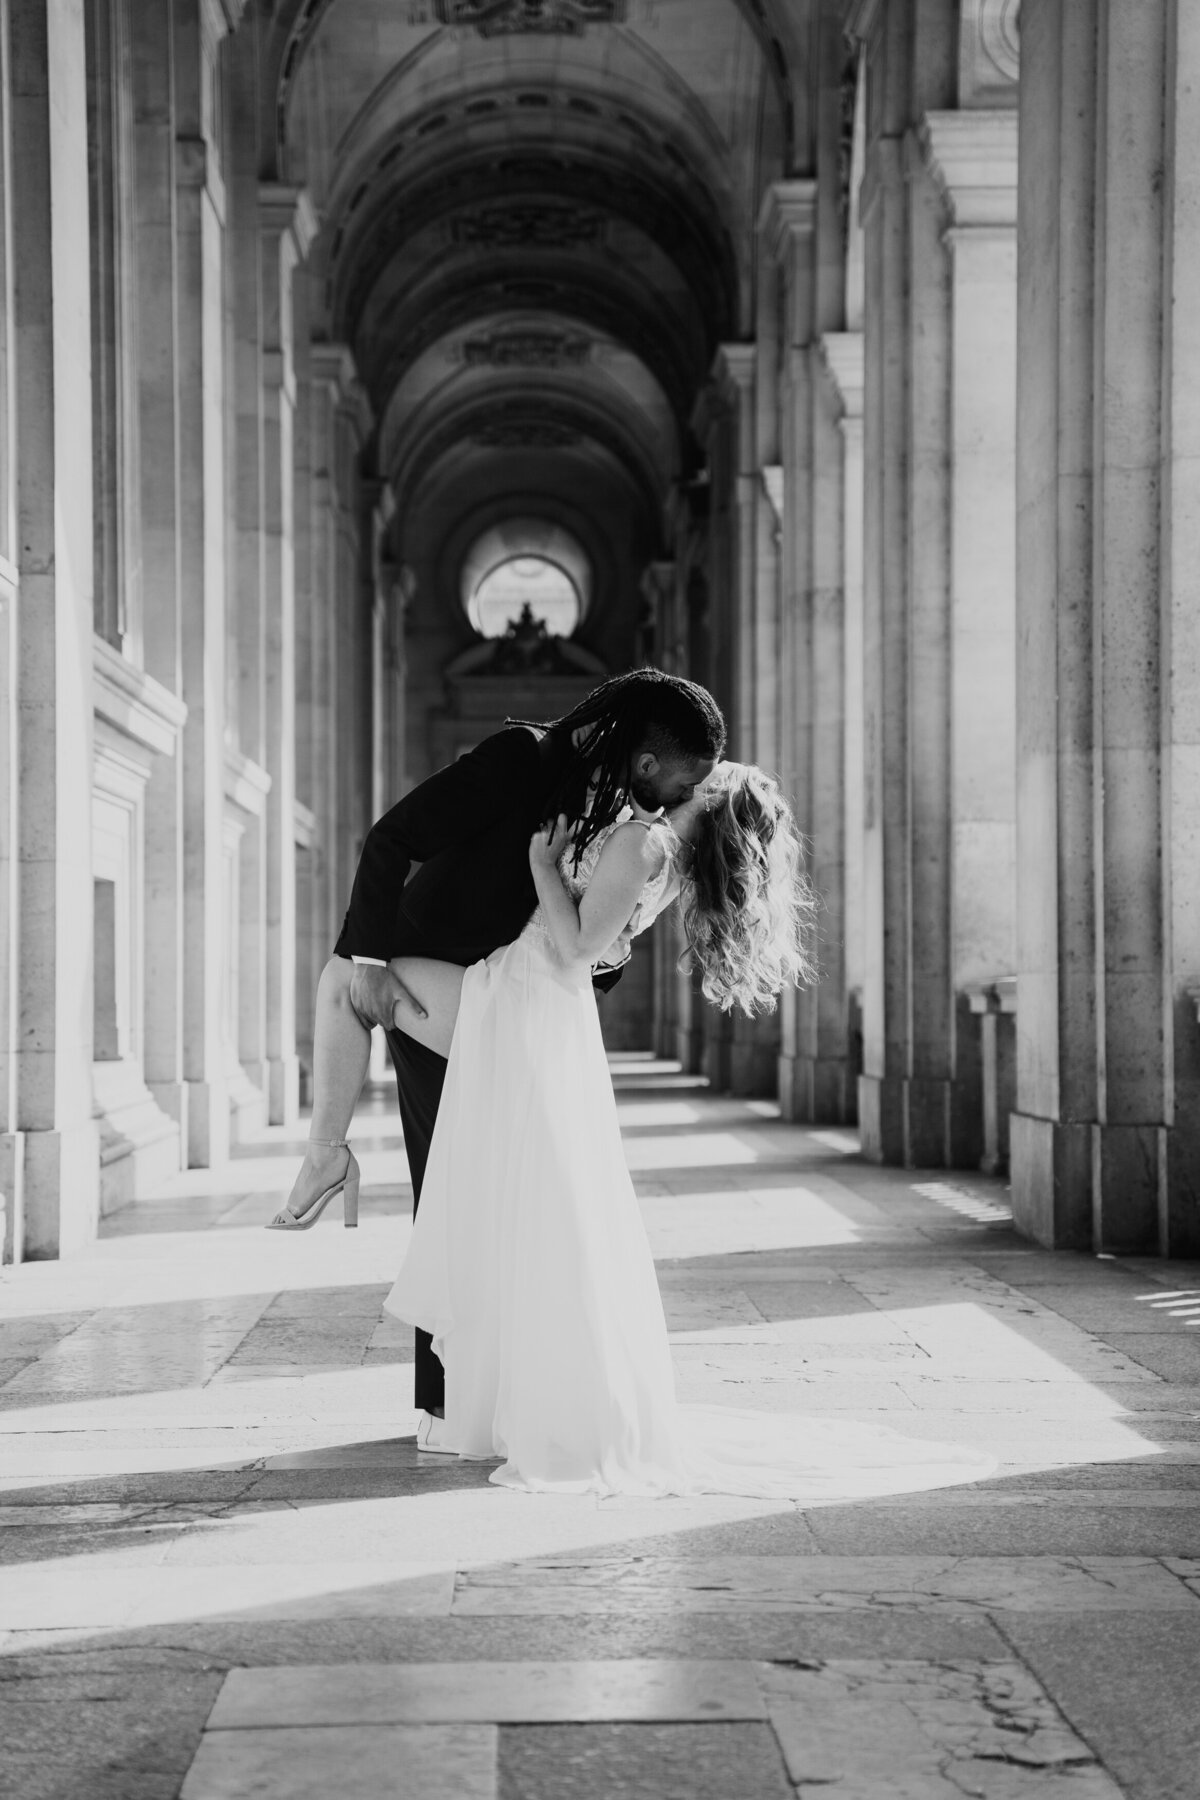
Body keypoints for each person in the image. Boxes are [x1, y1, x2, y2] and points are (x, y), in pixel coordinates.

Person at [381, 763, 995, 1498]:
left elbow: (576, 948)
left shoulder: (646, 843)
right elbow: (598, 947)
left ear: (708, 797)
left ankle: (510, 1389)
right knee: (538, 1198)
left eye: (707, 772)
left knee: (519, 1180)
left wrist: (542, 864)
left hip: (531, 999)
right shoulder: (663, 859)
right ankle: (516, 1392)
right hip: (542, 1011)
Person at [267, 668, 726, 1448]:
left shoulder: (621, 814)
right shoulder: (522, 756)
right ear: (647, 763)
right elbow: (392, 838)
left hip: (498, 1009)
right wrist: (375, 958)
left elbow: (590, 951)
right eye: (678, 784)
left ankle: (474, 1400)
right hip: (430, 981)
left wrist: (563, 1009)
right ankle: (447, 1403)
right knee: (441, 1192)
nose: (670, 804)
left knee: (479, 1204)